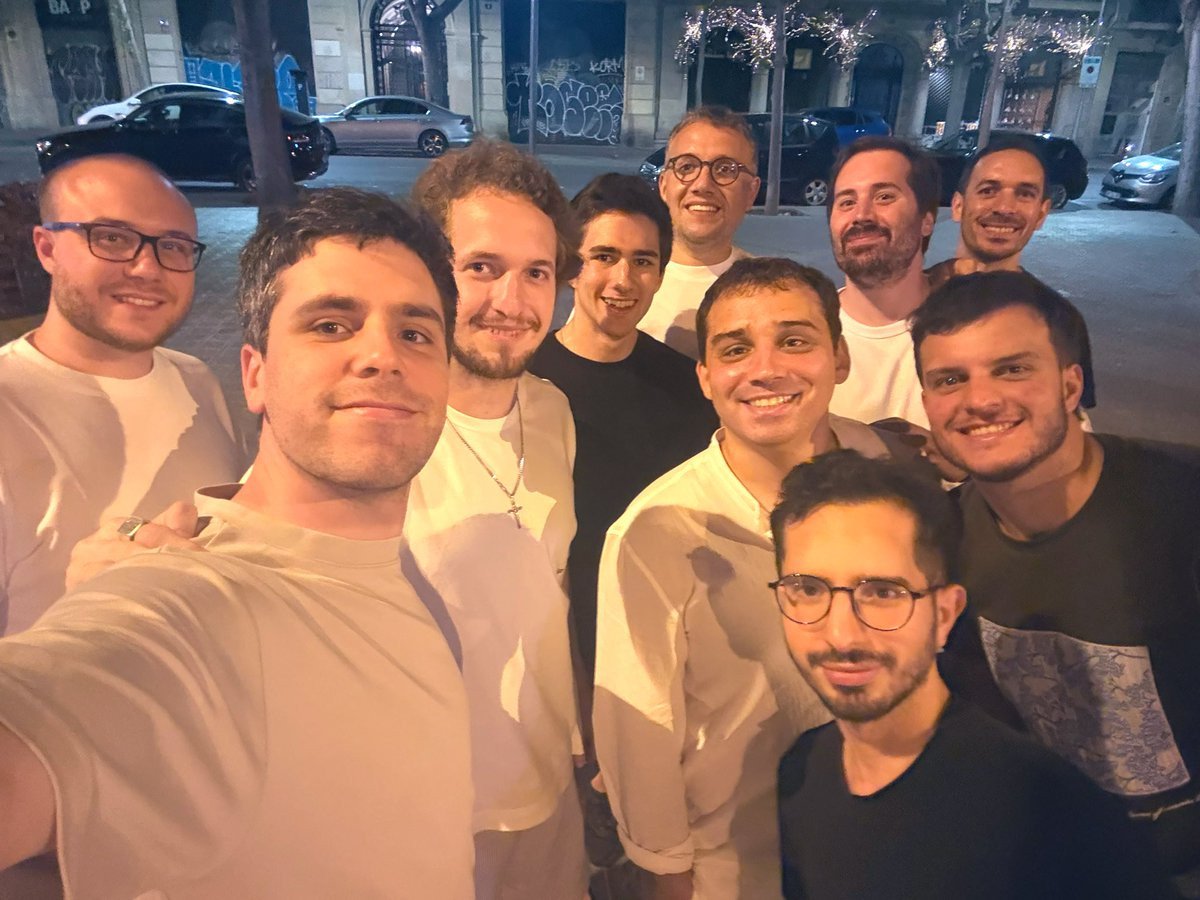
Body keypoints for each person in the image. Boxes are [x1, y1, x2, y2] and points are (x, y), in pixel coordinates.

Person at [0, 188, 475, 897]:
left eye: (415, 333)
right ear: (255, 374)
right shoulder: (191, 603)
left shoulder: (396, 573)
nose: (382, 354)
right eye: (331, 325)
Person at [594, 258, 918, 899]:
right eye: (735, 349)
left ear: (840, 357)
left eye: (794, 340)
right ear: (705, 377)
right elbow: (640, 732)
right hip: (741, 865)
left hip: (892, 843)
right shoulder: (657, 533)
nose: (765, 369)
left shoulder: (887, 470)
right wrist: (669, 875)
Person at [912, 270, 1200, 895]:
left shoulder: (1178, 507)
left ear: (1071, 385)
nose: (980, 400)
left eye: (1012, 369)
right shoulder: (944, 543)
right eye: (950, 379)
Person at [772, 450, 1171, 900]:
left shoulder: (1044, 807)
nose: (841, 634)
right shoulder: (800, 772)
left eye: (883, 592)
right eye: (808, 589)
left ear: (945, 614)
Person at [409, 139, 589, 900]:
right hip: (429, 818)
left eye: (536, 272)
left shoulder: (552, 412)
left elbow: (548, 589)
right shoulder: (378, 430)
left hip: (548, 792)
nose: (511, 302)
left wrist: (574, 730)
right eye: (481, 266)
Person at [0, 154, 245, 634]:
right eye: (112, 238)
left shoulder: (198, 381)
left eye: (173, 246)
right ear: (46, 248)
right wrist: (80, 618)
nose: (147, 267)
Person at [527, 173, 717, 676]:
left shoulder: (688, 389)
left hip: (665, 645)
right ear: (572, 267)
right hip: (551, 651)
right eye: (604, 256)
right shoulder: (524, 383)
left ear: (660, 274)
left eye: (643, 261)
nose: (623, 280)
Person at [825, 136, 940, 427]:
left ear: (927, 220)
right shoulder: (804, 337)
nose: (861, 215)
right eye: (847, 202)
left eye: (884, 197)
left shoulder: (971, 331)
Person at [638, 105, 759, 360]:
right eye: (686, 167)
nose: (702, 184)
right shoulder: (620, 283)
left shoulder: (774, 290)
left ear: (751, 192)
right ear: (664, 185)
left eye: (725, 169)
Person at [925, 133, 1051, 291]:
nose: (1004, 208)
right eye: (988, 191)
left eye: (1025, 194)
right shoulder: (911, 296)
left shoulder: (1047, 307)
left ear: (1041, 214)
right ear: (958, 206)